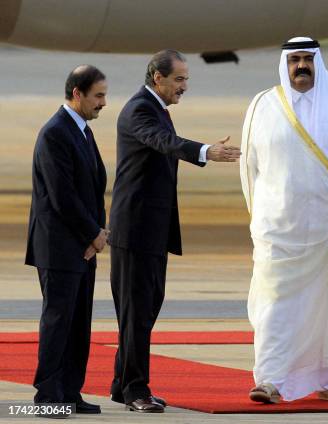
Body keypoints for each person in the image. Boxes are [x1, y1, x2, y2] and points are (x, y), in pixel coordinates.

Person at [241, 37, 328, 404]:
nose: (300, 66)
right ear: (285, 63)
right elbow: (250, 170)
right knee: (275, 304)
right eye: (294, 59)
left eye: (307, 59)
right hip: (278, 229)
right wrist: (259, 220)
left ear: (318, 61)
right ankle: (270, 380)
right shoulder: (263, 105)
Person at [108, 49, 240, 413]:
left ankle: (122, 385)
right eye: (179, 79)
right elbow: (164, 143)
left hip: (150, 231)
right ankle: (136, 390)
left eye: (186, 80)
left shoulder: (155, 108)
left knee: (144, 310)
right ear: (158, 78)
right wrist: (205, 151)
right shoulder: (140, 110)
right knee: (137, 313)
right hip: (135, 231)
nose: (185, 87)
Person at [25, 65, 109, 415]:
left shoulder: (82, 131)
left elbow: (92, 189)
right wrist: (93, 234)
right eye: (98, 95)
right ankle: (47, 396)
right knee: (59, 320)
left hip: (83, 247)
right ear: (78, 93)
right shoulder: (55, 133)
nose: (103, 102)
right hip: (59, 247)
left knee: (78, 321)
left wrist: (97, 236)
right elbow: (62, 196)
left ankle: (70, 393)